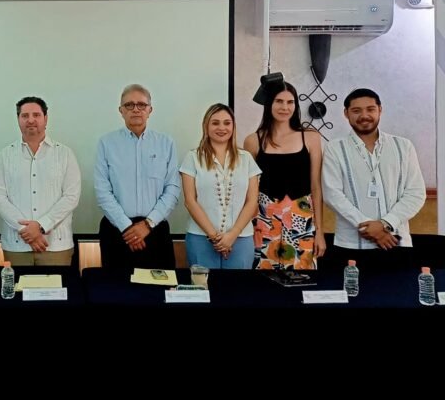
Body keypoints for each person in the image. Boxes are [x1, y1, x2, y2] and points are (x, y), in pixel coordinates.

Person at [322, 88, 425, 271]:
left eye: (370, 109)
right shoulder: (334, 148)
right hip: (351, 245)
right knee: (351, 296)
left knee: (398, 297)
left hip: (395, 241)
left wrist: (385, 224)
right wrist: (367, 227)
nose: (364, 115)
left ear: (380, 110)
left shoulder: (403, 146)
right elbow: (332, 194)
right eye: (356, 111)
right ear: (346, 114)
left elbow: (415, 193)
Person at [94, 84, 180, 269]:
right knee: (116, 292)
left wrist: (147, 225)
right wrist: (127, 227)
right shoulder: (106, 143)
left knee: (159, 291)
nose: (136, 109)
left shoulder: (166, 143)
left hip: (155, 229)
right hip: (117, 231)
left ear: (150, 110)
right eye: (129, 105)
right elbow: (103, 192)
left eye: (141, 105)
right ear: (121, 110)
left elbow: (172, 189)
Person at [243, 81, 325, 269]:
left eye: (290, 102)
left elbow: (316, 187)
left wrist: (319, 232)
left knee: (302, 277)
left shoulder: (311, 137)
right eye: (279, 101)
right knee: (262, 277)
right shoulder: (253, 141)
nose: (285, 107)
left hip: (302, 218)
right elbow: (249, 190)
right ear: (269, 104)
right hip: (262, 219)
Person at [0, 96, 81, 266]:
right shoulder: (5, 156)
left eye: (36, 115)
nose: (30, 120)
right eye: (25, 116)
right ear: (18, 119)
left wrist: (40, 226)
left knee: (56, 291)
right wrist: (26, 231)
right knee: (17, 291)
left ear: (45, 119)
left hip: (56, 246)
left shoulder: (64, 154)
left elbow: (71, 197)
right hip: (16, 246)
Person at [180, 104, 260, 269]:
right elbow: (190, 201)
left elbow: (252, 201)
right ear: (206, 126)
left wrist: (232, 235)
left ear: (233, 126)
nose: (221, 128)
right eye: (215, 123)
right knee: (203, 290)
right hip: (200, 238)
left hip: (241, 238)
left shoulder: (246, 159)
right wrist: (214, 237)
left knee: (238, 291)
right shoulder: (192, 158)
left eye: (227, 123)